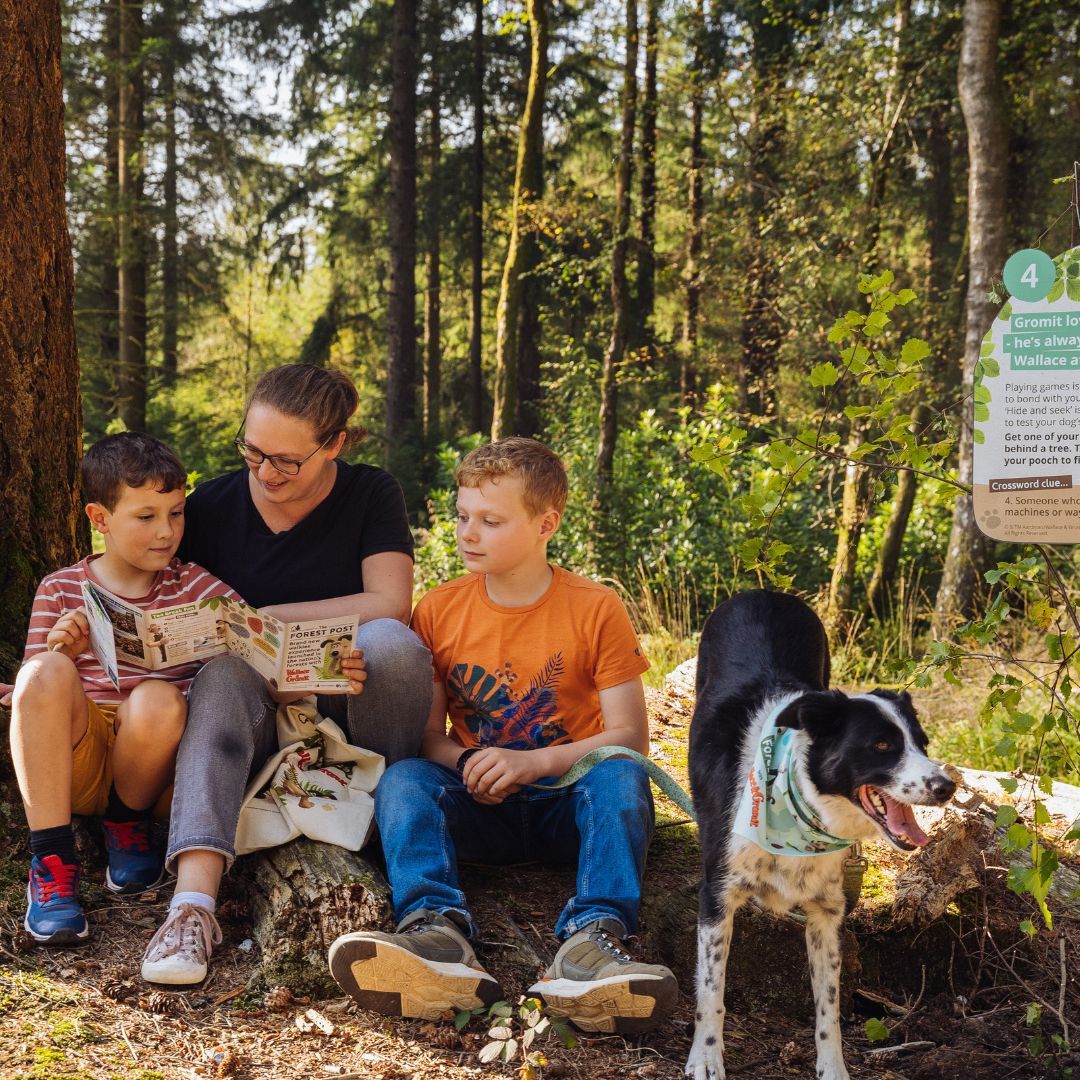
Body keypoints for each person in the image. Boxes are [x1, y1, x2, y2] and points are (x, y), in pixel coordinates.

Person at [327, 437, 678, 1035]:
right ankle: (435, 933)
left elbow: (628, 737)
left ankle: (591, 945)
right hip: (481, 809)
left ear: (547, 523)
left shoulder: (596, 608)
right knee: (406, 778)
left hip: (570, 804)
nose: (468, 533)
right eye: (463, 517)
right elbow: (427, 738)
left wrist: (534, 763)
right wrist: (471, 763)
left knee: (621, 777)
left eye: (491, 521)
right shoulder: (439, 609)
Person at [142, 363, 432, 986]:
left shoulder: (371, 493)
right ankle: (192, 905)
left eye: (286, 461)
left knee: (394, 645)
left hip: (352, 704)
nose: (265, 473)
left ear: (334, 445)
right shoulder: (214, 505)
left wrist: (274, 619)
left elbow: (390, 600)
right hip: (252, 715)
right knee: (221, 673)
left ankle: (386, 823)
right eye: (252, 451)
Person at [9, 432, 239, 945]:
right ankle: (50, 860)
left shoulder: (195, 586)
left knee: (158, 695)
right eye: (146, 516)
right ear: (99, 519)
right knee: (43, 671)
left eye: (176, 514)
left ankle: (126, 827)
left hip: (155, 771)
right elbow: (34, 694)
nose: (166, 532)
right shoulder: (61, 587)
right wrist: (60, 652)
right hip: (78, 760)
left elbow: (252, 637)